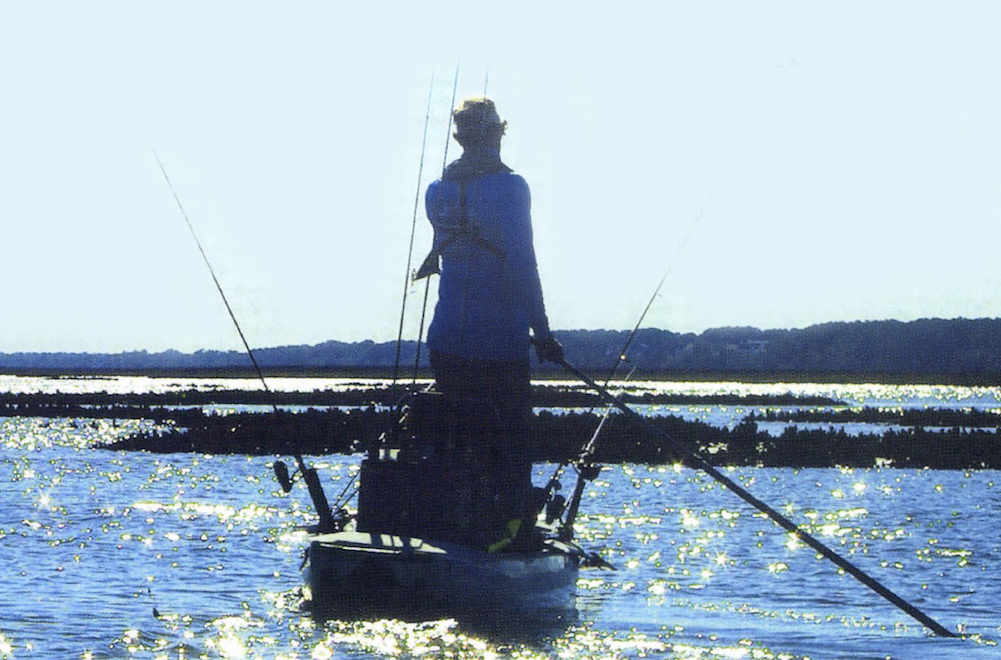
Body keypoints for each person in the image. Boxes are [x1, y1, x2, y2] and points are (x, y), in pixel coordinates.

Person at [415, 97, 562, 548]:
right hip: (498, 343)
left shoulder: (436, 192)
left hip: (444, 341)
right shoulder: (512, 188)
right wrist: (544, 334)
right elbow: (523, 264)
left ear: (460, 139)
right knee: (511, 448)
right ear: (495, 135)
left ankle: (454, 527)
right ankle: (507, 537)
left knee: (458, 440)